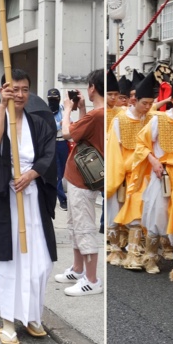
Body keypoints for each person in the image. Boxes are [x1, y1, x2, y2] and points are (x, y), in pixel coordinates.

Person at [0, 69, 57, 344]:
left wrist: (32, 174)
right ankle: (8, 320)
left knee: (39, 261)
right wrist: (1, 107)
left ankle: (33, 315)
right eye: (14, 89)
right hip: (6, 200)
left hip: (32, 198)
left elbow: (48, 155)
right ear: (4, 91)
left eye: (24, 89)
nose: (20, 95)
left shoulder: (39, 124)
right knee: (10, 262)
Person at [134, 82, 173, 280]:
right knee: (157, 212)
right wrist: (153, 160)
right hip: (162, 173)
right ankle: (150, 257)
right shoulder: (158, 120)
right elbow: (141, 143)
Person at [55, 69, 105, 296]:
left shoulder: (98, 115)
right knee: (76, 225)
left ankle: (92, 279)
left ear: (93, 87)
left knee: (84, 227)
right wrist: (82, 109)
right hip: (81, 178)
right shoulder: (98, 113)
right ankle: (77, 269)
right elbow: (87, 134)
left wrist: (66, 110)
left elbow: (68, 134)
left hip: (83, 181)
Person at [110, 73, 158, 270]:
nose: (148, 107)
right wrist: (118, 174)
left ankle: (136, 254)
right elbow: (115, 149)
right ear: (134, 100)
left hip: (146, 173)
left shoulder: (153, 119)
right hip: (125, 172)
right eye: (144, 103)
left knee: (143, 213)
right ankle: (116, 249)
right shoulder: (120, 120)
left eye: (150, 103)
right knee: (117, 211)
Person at [48, 88, 69, 211]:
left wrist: (64, 123)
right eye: (51, 99)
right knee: (58, 172)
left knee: (64, 171)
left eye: (55, 99)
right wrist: (59, 124)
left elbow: (69, 122)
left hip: (64, 142)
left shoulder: (63, 109)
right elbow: (49, 126)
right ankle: (62, 199)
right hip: (53, 143)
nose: (53, 101)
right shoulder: (46, 110)